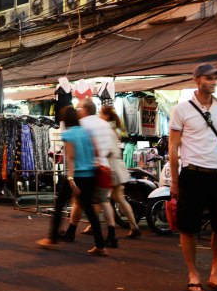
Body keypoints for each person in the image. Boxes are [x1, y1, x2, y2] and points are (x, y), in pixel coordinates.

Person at [169, 64, 217, 291]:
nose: (213, 82)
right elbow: (173, 147)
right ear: (197, 80)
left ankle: (215, 275)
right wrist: (174, 181)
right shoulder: (181, 109)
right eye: (209, 78)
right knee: (188, 227)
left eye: (215, 78)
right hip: (193, 174)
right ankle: (193, 274)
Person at [37, 106, 107, 256]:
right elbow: (96, 151)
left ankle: (52, 239)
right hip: (90, 175)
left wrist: (70, 178)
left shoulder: (68, 134)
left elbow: (71, 157)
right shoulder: (87, 132)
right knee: (90, 211)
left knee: (59, 205)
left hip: (76, 176)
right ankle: (100, 246)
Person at [59, 99, 119, 248]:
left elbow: (74, 152)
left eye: (78, 108)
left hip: (87, 169)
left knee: (80, 202)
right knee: (104, 202)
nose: (77, 111)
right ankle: (111, 235)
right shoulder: (105, 125)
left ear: (85, 110)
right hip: (104, 166)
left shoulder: (82, 125)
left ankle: (72, 232)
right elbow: (111, 147)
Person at [100, 106, 141, 238]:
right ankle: (134, 226)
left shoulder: (107, 130)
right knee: (118, 198)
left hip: (111, 167)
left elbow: (109, 149)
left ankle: (108, 228)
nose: (99, 116)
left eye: (101, 114)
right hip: (116, 166)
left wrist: (98, 154)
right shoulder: (113, 129)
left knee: (103, 198)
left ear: (106, 116)